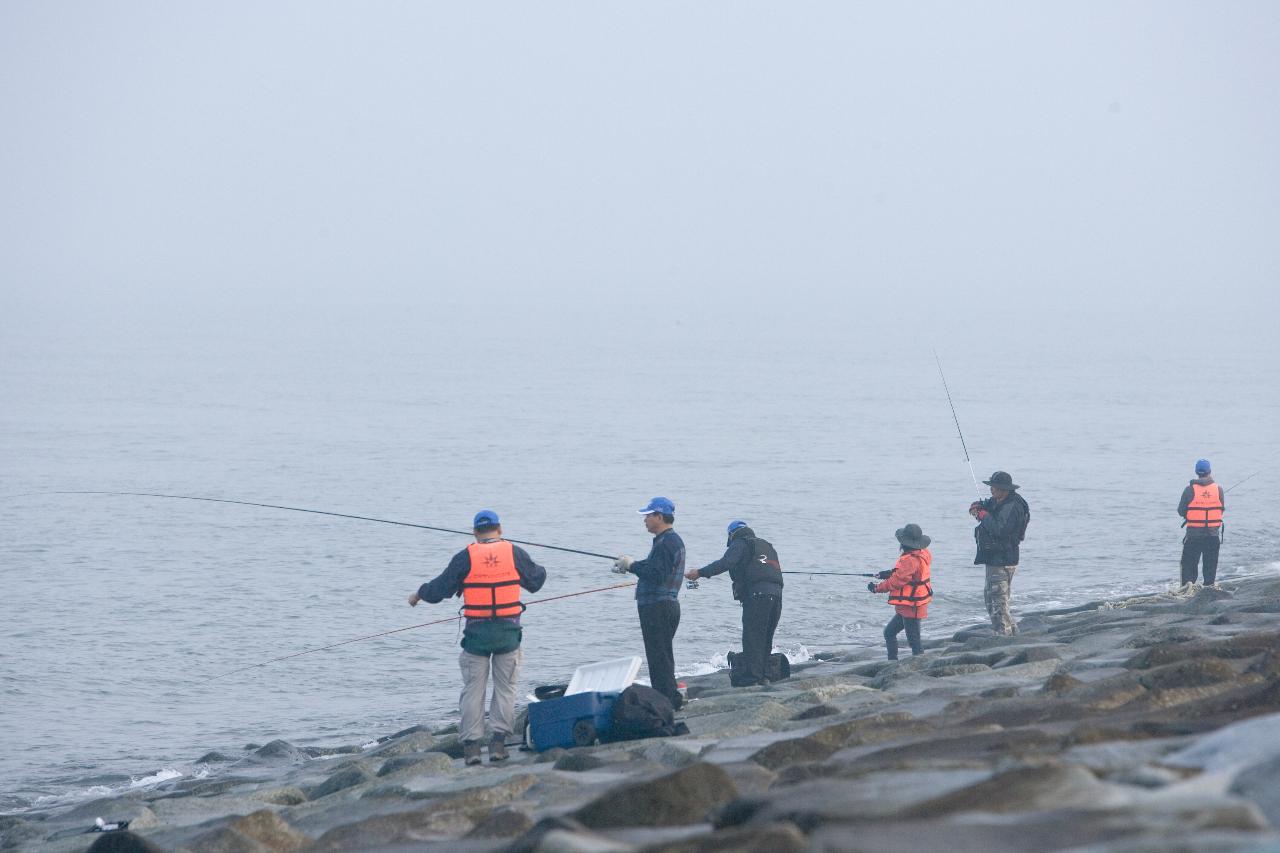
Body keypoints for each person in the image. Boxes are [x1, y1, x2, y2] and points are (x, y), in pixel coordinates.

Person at [409, 509, 546, 765]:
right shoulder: (514, 552)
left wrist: (418, 594)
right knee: (506, 690)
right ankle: (497, 744)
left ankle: (472, 748)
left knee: (473, 690)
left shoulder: (465, 557)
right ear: (500, 529)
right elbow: (537, 581)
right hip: (508, 635)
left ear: (474, 532)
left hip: (476, 637)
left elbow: (440, 589)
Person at [685, 520, 783, 687]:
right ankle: (763, 675)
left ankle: (753, 678)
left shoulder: (740, 543)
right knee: (765, 637)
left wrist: (699, 573)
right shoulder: (766, 545)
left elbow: (726, 563)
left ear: (731, 534)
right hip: (776, 596)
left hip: (757, 596)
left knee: (752, 637)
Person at [614, 497, 686, 709]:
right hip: (663, 606)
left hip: (658, 607)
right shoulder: (668, 541)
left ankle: (666, 703)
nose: (645, 520)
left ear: (660, 516)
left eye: (648, 515)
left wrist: (632, 565)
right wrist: (630, 565)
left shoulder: (667, 542)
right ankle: (670, 699)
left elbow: (656, 574)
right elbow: (655, 567)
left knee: (659, 658)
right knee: (662, 656)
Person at [969, 471, 1030, 636]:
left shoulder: (1013, 506)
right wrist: (977, 507)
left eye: (995, 487)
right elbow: (988, 506)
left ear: (1005, 489)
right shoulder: (1001, 501)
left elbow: (1000, 530)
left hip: (1002, 559)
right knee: (994, 600)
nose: (992, 490)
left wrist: (983, 515)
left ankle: (1003, 638)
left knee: (997, 603)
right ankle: (1014, 635)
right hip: (997, 558)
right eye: (991, 487)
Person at [867, 523, 933, 660]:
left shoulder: (910, 561)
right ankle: (892, 662)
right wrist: (886, 573)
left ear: (904, 543)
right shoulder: (922, 553)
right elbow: (904, 574)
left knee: (914, 641)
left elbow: (896, 581)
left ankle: (920, 664)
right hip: (908, 606)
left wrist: (876, 588)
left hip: (911, 606)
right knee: (889, 633)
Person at [1178, 458, 1225, 586]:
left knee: (1189, 566)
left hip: (1194, 536)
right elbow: (1221, 509)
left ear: (1196, 472)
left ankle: (1187, 591)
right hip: (1212, 536)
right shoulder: (1218, 489)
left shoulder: (1189, 489)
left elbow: (1181, 511)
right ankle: (1209, 590)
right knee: (1210, 568)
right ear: (1209, 471)